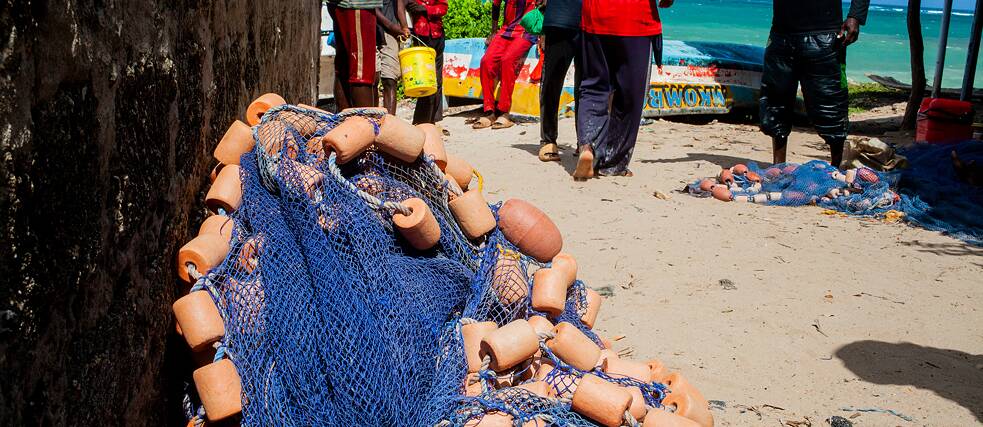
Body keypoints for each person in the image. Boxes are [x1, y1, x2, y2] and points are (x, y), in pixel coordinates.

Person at [759, 0, 870, 168]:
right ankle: (778, 166)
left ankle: (835, 167)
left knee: (831, 102)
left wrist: (855, 16)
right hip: (781, 34)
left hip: (826, 35)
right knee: (776, 99)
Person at [574, 0, 672, 179]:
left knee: (593, 87)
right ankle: (613, 164)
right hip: (636, 19)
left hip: (595, 17)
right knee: (630, 94)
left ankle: (587, 146)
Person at [473, 0, 539, 129]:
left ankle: (504, 112)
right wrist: (493, 31)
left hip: (526, 32)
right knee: (486, 61)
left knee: (507, 60)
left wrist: (543, 35)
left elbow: (545, 8)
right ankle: (489, 111)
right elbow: (495, 5)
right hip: (505, 30)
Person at [537, 0, 582, 162]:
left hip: (593, 23)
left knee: (587, 86)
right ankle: (548, 139)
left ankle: (585, 141)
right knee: (551, 83)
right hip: (559, 19)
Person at [328, 0, 384, 109]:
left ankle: (346, 122)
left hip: (343, 4)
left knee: (345, 68)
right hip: (357, 4)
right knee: (362, 71)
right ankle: (365, 124)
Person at [405, 0, 448, 125]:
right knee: (424, 80)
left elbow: (443, 8)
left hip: (437, 35)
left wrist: (424, 9)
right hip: (421, 36)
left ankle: (434, 119)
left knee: (437, 80)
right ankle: (422, 120)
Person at [376, 0, 409, 115]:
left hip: (390, 34)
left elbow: (400, 6)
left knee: (390, 79)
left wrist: (404, 27)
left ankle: (390, 121)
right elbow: (371, 7)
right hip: (374, 29)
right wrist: (392, 26)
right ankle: (372, 120)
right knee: (373, 80)